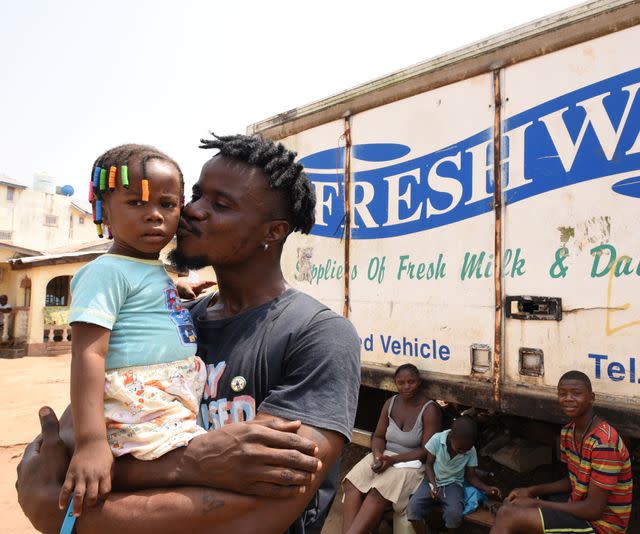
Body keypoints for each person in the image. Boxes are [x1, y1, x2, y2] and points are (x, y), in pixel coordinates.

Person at [15, 133, 361, 534]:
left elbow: (258, 513)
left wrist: (61, 514)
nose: (191, 210)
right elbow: (78, 441)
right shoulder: (172, 319)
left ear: (273, 231)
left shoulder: (317, 336)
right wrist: (202, 458)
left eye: (220, 204)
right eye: (195, 194)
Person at [59, 144, 206, 518]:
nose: (155, 216)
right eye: (137, 204)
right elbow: (89, 353)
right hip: (139, 404)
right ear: (105, 210)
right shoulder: (105, 272)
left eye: (167, 205)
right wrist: (91, 442)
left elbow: (140, 303)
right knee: (208, 472)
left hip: (166, 401)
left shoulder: (151, 269)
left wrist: (175, 291)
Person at [490, 371, 632, 534]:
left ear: (591, 397)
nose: (568, 398)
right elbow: (573, 480)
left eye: (576, 393)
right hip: (578, 505)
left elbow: (594, 510)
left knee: (509, 516)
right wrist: (531, 491)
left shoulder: (604, 443)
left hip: (602, 525)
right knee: (511, 505)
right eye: (562, 394)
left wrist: (537, 504)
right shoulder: (567, 432)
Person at [341, 363, 441, 533]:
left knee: (378, 492)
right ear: (395, 383)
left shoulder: (430, 410)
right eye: (401, 383)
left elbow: (426, 451)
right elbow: (378, 437)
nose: (406, 387)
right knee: (352, 483)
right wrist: (378, 455)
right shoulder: (391, 403)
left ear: (419, 382)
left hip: (412, 463)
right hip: (386, 456)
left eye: (411, 382)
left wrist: (393, 460)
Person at [406, 416, 501, 533]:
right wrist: (433, 484)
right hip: (432, 480)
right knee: (413, 508)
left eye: (466, 450)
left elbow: (471, 476)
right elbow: (429, 465)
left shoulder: (471, 450)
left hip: (453, 485)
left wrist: (486, 488)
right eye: (460, 449)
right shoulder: (437, 439)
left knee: (454, 515)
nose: (462, 452)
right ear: (451, 436)